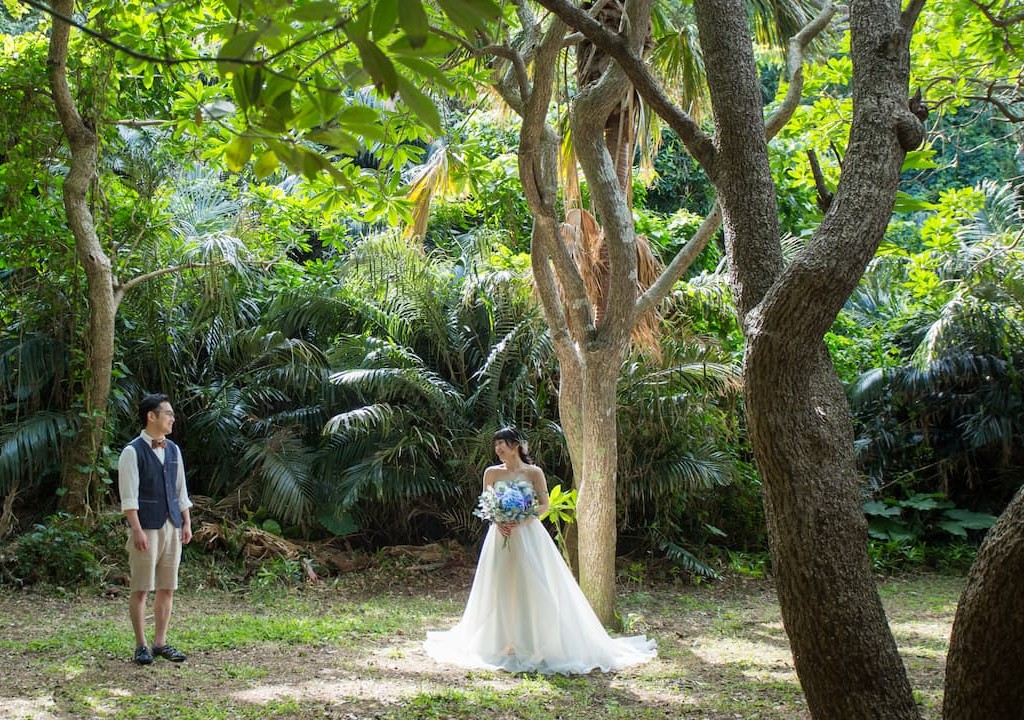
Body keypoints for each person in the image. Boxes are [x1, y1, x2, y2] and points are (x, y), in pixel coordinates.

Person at [424, 426, 656, 674]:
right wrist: (498, 520)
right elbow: (486, 503)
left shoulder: (534, 473)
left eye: (502, 443)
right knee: (500, 583)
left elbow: (544, 505)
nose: (498, 448)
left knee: (532, 582)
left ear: (516, 446)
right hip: (500, 535)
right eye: (496, 444)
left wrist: (523, 518)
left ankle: (533, 640)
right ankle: (502, 641)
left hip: (528, 534)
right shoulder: (491, 473)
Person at [118, 393, 193, 665]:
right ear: (152, 416)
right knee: (141, 588)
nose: (173, 418)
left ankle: (160, 642)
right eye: (168, 414)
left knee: (167, 587)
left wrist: (186, 521)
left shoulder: (174, 450)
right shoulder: (131, 451)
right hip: (146, 528)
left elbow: (179, 489)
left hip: (172, 525)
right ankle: (141, 645)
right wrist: (136, 529)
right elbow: (129, 497)